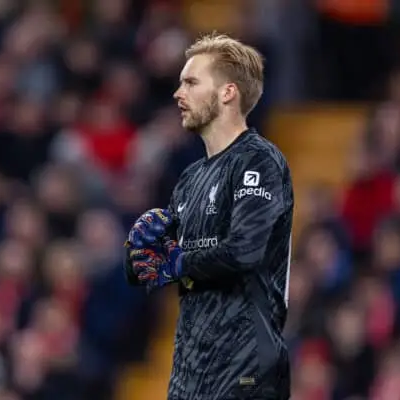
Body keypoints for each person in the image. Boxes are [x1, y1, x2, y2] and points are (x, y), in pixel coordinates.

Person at [124, 33, 294, 399]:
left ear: (227, 93)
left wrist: (177, 262)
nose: (177, 93)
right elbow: (156, 268)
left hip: (245, 367)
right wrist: (138, 254)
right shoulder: (189, 178)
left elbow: (246, 251)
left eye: (191, 82)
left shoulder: (259, 161)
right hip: (190, 370)